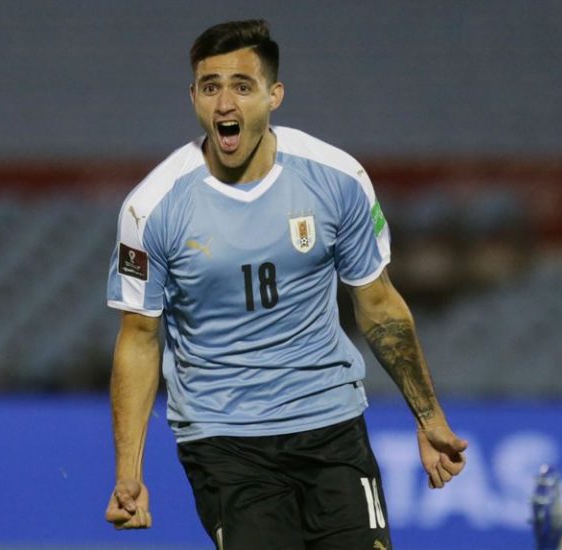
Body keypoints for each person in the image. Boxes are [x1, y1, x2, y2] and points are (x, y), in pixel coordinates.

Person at [105, 19, 467, 550]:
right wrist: (129, 474)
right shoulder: (151, 208)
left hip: (331, 428)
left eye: (242, 86)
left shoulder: (337, 179)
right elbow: (139, 337)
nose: (225, 104)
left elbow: (378, 305)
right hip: (225, 441)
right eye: (211, 87)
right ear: (193, 97)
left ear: (274, 96)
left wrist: (429, 417)